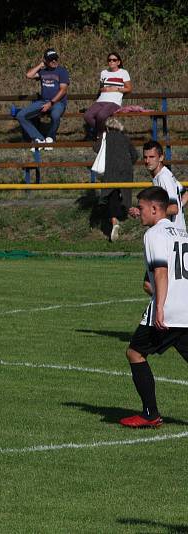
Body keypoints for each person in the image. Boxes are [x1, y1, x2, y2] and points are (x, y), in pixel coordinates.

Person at [119, 186, 188, 428]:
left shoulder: (154, 235)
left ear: (155, 208)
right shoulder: (180, 232)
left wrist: (159, 308)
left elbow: (160, 272)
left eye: (142, 208)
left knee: (135, 353)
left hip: (167, 311)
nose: (139, 212)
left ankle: (150, 413)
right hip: (186, 310)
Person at [92, 118, 138, 242]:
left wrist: (98, 138)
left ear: (107, 128)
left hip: (111, 170)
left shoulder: (105, 136)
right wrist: (127, 164)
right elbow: (135, 155)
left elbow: (96, 149)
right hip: (126, 170)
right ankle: (123, 211)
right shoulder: (125, 138)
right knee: (122, 193)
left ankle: (114, 220)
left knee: (111, 194)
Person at [16, 48, 70, 150]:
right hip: (43, 101)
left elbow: (63, 90)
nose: (54, 61)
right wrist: (40, 65)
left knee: (55, 115)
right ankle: (39, 138)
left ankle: (50, 138)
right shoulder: (42, 71)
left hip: (57, 103)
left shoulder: (62, 71)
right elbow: (28, 75)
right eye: (51, 59)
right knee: (21, 115)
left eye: (55, 59)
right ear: (45, 60)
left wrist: (50, 103)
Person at [129, 141, 187, 230]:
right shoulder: (164, 174)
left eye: (152, 157)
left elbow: (173, 209)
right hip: (176, 232)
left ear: (161, 157)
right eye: (145, 157)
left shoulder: (163, 177)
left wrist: (145, 212)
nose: (147, 161)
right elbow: (185, 195)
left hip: (170, 234)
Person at [83, 52, 132, 139]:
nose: (111, 62)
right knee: (87, 116)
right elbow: (101, 88)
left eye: (114, 60)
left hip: (114, 102)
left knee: (101, 115)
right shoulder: (104, 72)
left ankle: (102, 134)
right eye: (109, 60)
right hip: (101, 100)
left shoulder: (123, 72)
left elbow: (129, 88)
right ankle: (103, 131)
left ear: (118, 62)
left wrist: (116, 88)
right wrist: (105, 89)